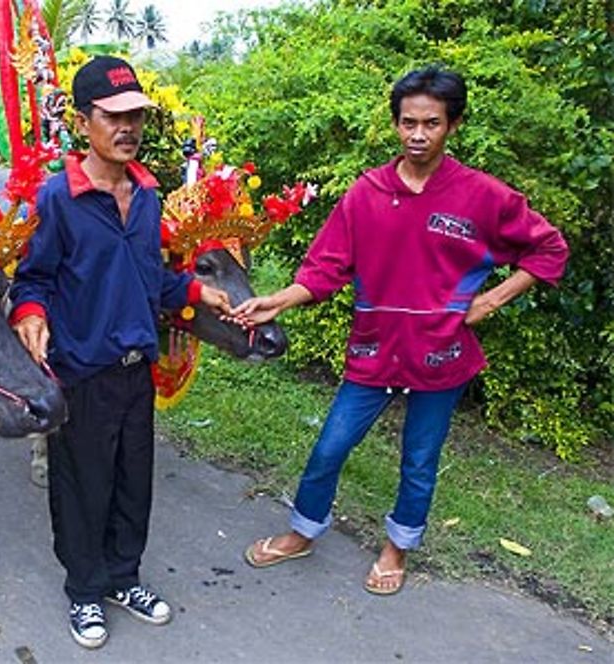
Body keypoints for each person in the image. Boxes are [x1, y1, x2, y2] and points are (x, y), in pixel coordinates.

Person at [234, 66, 568, 595]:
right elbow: (325, 269)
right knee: (329, 447)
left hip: (443, 353)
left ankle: (397, 548)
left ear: (452, 125)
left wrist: (493, 298)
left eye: (431, 123)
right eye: (408, 122)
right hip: (374, 349)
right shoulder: (366, 194)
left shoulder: (481, 195)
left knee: (418, 460)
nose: (418, 135)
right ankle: (303, 531)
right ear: (395, 124)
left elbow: (549, 247)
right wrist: (277, 300)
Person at [9, 55, 231, 649]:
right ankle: (84, 590)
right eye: (114, 117)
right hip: (81, 371)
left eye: (135, 116)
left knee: (135, 482)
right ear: (85, 122)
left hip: (137, 370)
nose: (127, 127)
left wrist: (195, 290)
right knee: (83, 485)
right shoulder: (58, 199)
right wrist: (30, 314)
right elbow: (31, 280)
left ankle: (123, 577)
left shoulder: (150, 195)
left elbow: (149, 278)